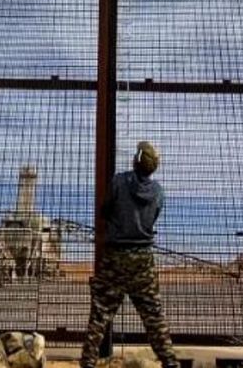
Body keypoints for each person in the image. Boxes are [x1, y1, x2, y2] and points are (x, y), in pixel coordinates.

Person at [80, 141, 177, 368]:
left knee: (100, 313)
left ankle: (87, 363)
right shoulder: (158, 192)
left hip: (114, 257)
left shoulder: (119, 181)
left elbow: (105, 209)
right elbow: (153, 219)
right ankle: (170, 362)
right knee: (154, 316)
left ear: (136, 160)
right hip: (143, 261)